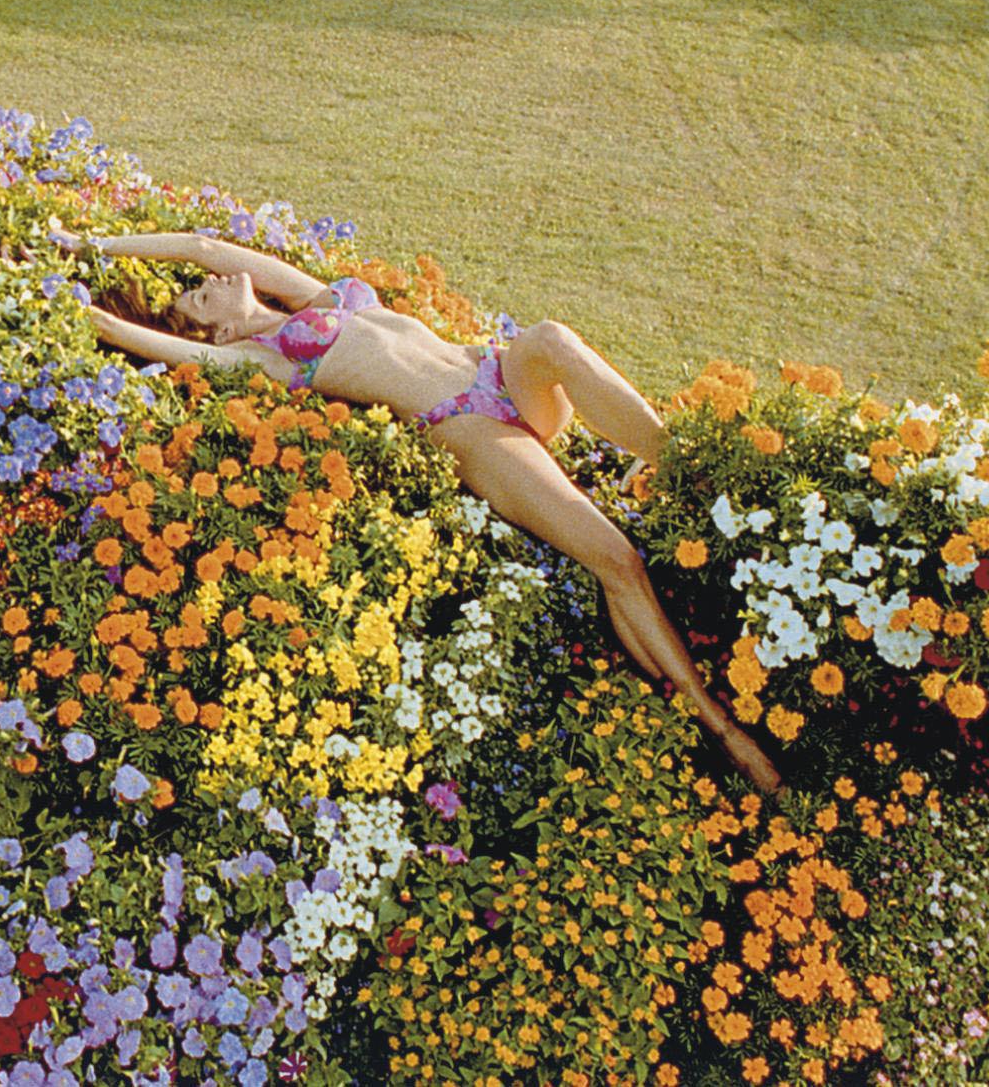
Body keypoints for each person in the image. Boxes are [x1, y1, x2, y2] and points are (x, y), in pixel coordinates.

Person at [69, 226, 783, 797]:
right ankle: (724, 730)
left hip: (494, 372)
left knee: (552, 339)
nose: (208, 282)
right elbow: (131, 335)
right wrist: (66, 293)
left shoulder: (314, 299)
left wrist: (90, 246)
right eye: (200, 300)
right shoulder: (265, 357)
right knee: (616, 560)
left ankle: (691, 472)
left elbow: (203, 244)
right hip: (472, 427)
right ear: (218, 336)